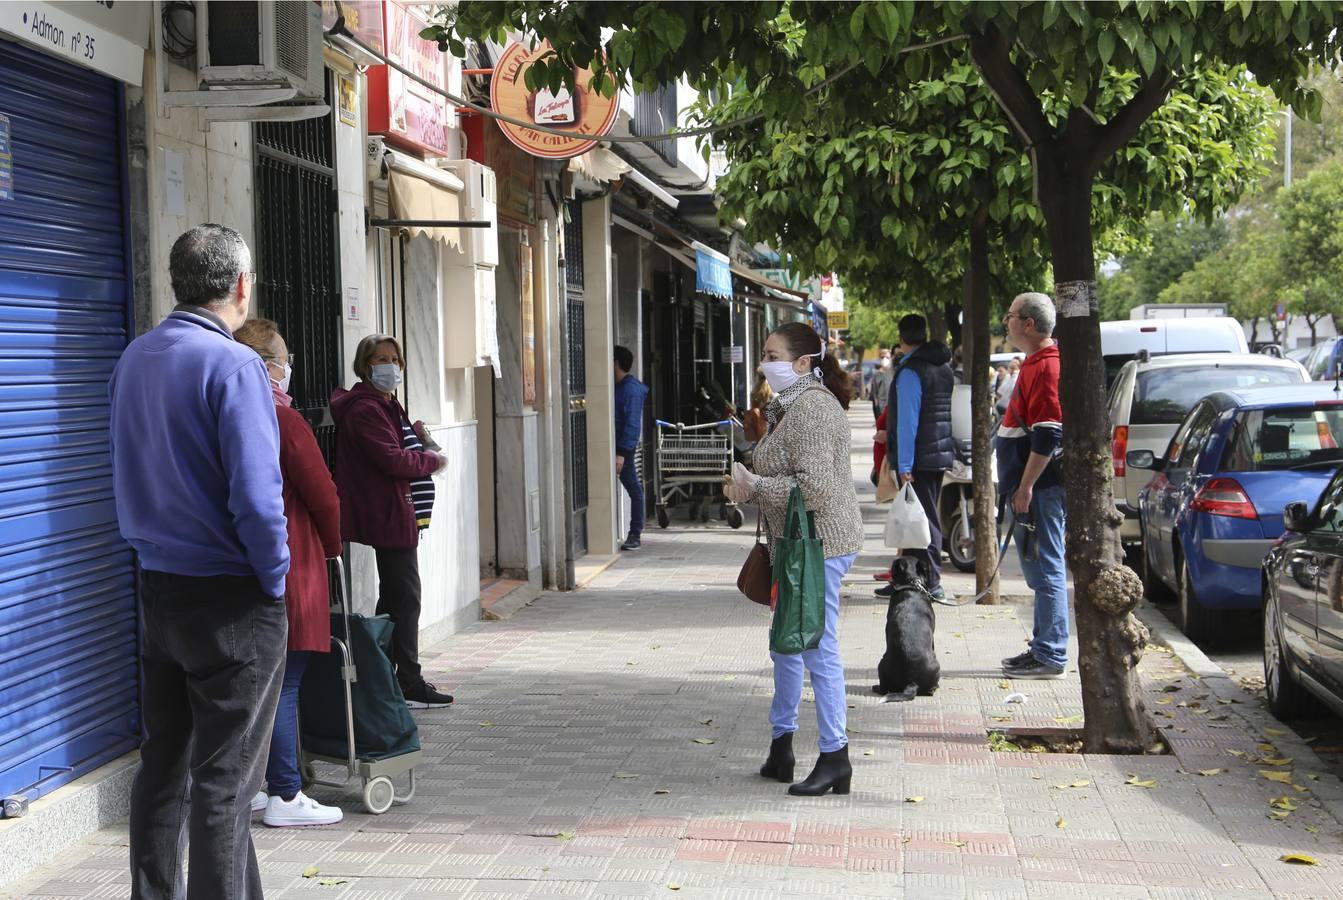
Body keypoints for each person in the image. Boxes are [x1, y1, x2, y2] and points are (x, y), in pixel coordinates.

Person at [109, 224, 289, 898]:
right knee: (225, 779)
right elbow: (257, 497)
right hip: (233, 597)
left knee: (163, 765)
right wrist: (273, 579)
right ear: (240, 287)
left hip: (159, 590)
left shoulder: (135, 357)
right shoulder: (235, 365)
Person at [723, 323, 863, 797]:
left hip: (820, 543)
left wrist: (754, 487)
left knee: (815, 647)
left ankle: (835, 756)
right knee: (785, 644)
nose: (765, 363)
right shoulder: (790, 407)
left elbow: (817, 491)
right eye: (764, 354)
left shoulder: (815, 411)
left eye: (772, 354)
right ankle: (782, 744)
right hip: (795, 544)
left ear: (803, 362)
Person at [234, 319, 344, 828]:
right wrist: (332, 545)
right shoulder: (284, 419)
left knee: (255, 685)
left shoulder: (229, 414)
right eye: (284, 357)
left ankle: (255, 788)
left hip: (237, 568)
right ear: (269, 365)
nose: (289, 367)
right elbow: (323, 494)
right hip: (291, 564)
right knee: (285, 684)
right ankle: (284, 792)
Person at [331, 335, 453, 708]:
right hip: (386, 512)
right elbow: (393, 460)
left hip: (395, 511)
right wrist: (433, 460)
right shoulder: (366, 409)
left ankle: (383, 674)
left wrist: (418, 439)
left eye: (395, 359)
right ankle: (406, 680)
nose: (390, 366)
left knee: (395, 598)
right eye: (380, 359)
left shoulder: (386, 404)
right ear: (365, 366)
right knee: (406, 597)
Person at [997, 292, 1068, 680]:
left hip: (1041, 488)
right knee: (1039, 570)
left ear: (1027, 323)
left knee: (1046, 567)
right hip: (1032, 486)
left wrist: (1025, 487)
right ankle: (1043, 646)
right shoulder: (1036, 364)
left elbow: (1047, 434)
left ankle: (1051, 653)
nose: (1004, 322)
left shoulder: (1045, 368)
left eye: (1009, 316)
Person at [883, 314, 955, 601]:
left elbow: (907, 422)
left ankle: (932, 582)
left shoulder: (911, 371)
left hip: (919, 458)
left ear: (901, 338)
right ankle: (907, 579)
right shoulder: (943, 367)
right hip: (937, 452)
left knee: (923, 522)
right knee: (916, 519)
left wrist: (904, 465)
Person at [614, 345, 649, 551]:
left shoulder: (631, 390)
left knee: (634, 489)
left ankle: (635, 533)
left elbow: (632, 424)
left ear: (616, 363)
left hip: (622, 449)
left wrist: (622, 453)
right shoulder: (621, 387)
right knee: (634, 488)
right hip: (618, 447)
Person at [868, 348, 893, 421]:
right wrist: (876, 404)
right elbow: (875, 391)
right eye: (882, 357)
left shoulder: (893, 372)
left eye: (887, 357)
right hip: (881, 406)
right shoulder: (876, 374)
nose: (885, 359)